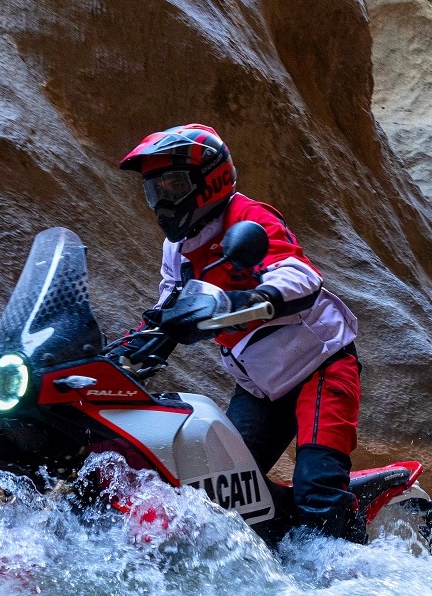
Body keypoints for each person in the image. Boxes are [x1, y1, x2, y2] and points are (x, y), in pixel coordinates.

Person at [119, 124, 364, 539]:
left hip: (319, 368)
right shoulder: (177, 248)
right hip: (260, 389)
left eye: (172, 185)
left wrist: (245, 300)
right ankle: (278, 552)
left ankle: (349, 567)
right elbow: (167, 304)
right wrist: (123, 351)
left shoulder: (249, 218)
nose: (162, 201)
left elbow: (300, 276)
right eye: (154, 190)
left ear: (209, 180)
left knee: (317, 486)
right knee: (222, 491)